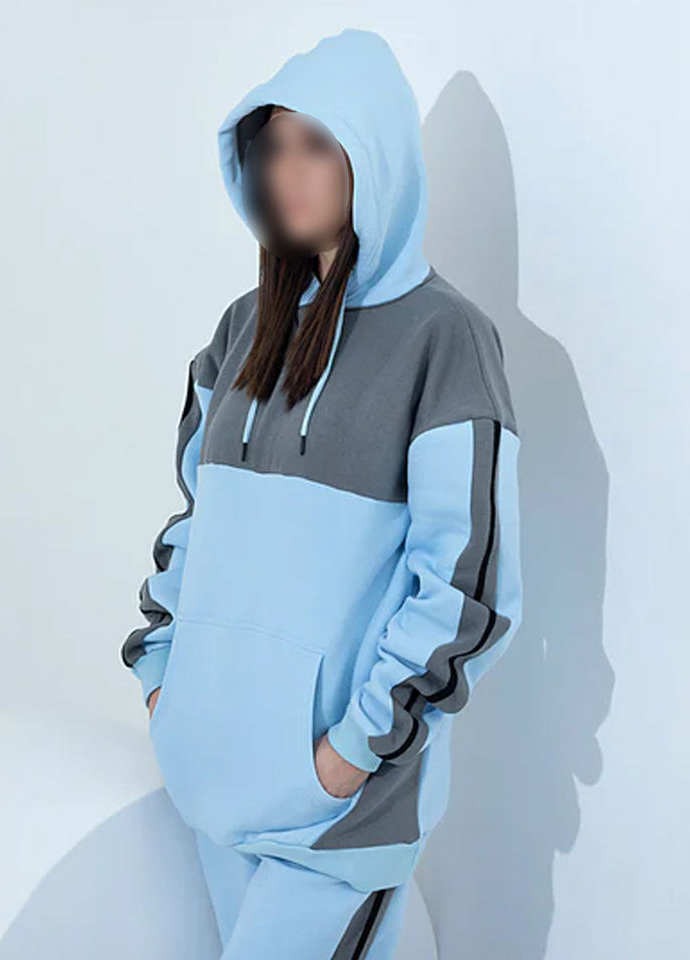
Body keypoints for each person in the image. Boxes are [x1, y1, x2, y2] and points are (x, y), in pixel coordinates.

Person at [120, 27, 523, 959]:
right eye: (272, 148)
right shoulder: (242, 329)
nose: (288, 173)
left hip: (335, 808)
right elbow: (194, 523)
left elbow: (465, 587)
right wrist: (164, 680)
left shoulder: (443, 341)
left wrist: (351, 753)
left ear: (370, 156)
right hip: (215, 774)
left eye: (316, 145)